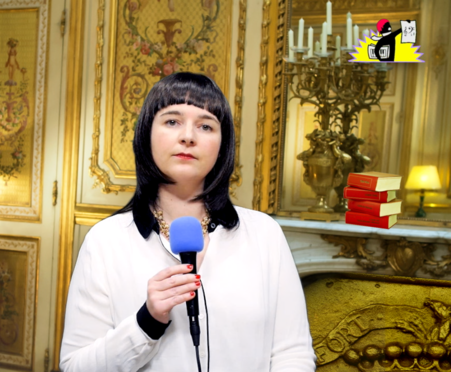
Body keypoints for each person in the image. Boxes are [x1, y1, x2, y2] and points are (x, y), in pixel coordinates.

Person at [59, 72, 316, 371]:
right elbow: (76, 366)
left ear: (222, 145)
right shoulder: (106, 241)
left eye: (206, 125)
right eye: (172, 121)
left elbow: (292, 355)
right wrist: (147, 322)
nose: (188, 136)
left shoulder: (264, 234)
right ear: (147, 134)